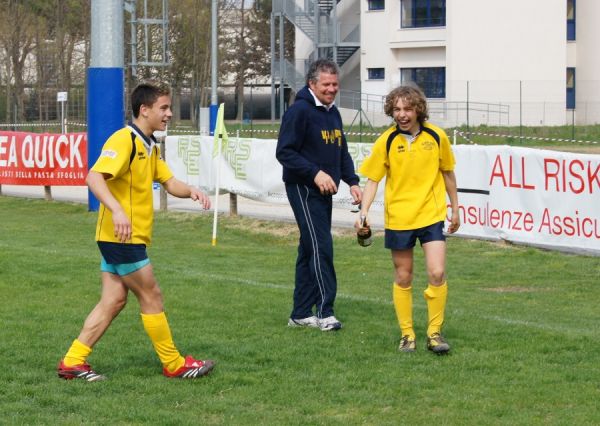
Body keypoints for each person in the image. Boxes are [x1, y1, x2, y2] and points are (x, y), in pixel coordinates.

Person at [57, 82, 215, 381]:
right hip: (121, 237)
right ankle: (174, 363)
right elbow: (94, 177)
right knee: (151, 293)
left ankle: (73, 362)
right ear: (145, 110)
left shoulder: (149, 145)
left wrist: (191, 190)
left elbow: (169, 183)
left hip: (121, 238)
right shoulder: (124, 140)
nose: (169, 114)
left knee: (114, 300)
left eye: (169, 108)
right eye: (164, 108)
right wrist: (117, 210)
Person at [357, 85, 460, 354]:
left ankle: (435, 333)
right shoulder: (387, 140)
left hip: (431, 215)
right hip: (399, 218)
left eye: (407, 108)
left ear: (418, 109)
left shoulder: (437, 136)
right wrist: (364, 213)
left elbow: (448, 173)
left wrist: (456, 209)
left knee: (437, 272)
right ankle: (407, 335)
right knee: (404, 277)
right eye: (397, 109)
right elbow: (372, 180)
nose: (402, 114)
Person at [276, 59, 362, 331]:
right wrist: (315, 173)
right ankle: (326, 312)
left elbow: (341, 150)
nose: (332, 89)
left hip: (325, 189)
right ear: (312, 84)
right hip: (303, 188)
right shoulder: (299, 111)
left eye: (335, 84)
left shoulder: (332, 112)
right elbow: (285, 152)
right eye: (326, 84)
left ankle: (301, 312)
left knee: (309, 249)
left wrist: (352, 181)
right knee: (322, 248)